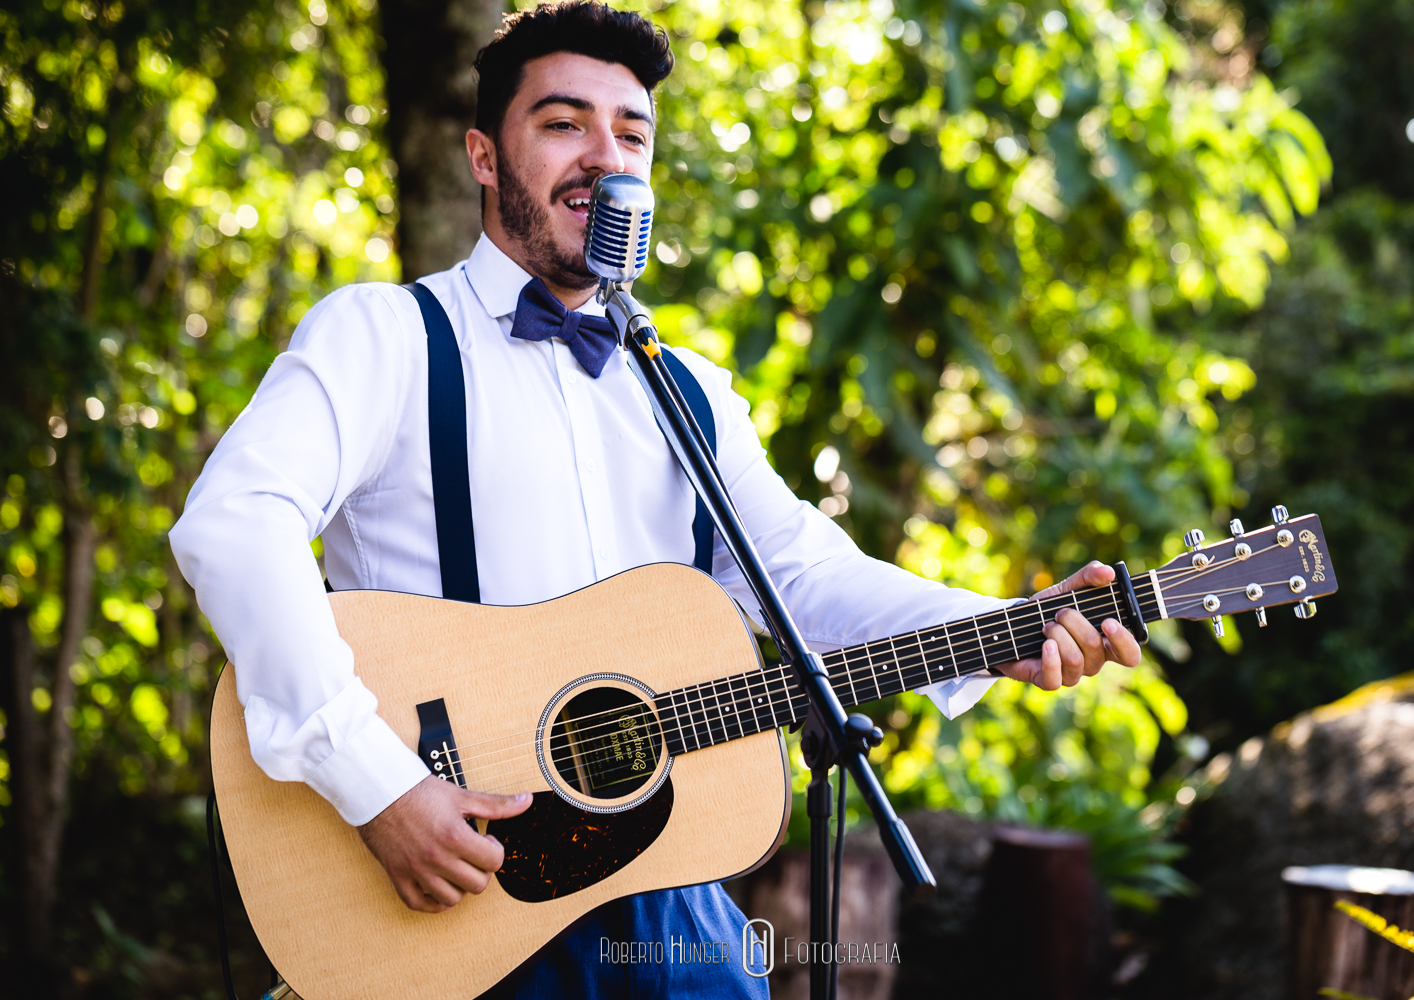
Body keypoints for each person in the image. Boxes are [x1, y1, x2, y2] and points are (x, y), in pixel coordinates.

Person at [169, 3, 1141, 997]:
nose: (604, 154)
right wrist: (379, 785)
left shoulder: (691, 393)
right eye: (562, 123)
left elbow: (800, 575)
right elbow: (235, 524)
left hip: (661, 897)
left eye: (631, 133)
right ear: (484, 156)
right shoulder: (385, 338)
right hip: (441, 894)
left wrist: (999, 629)